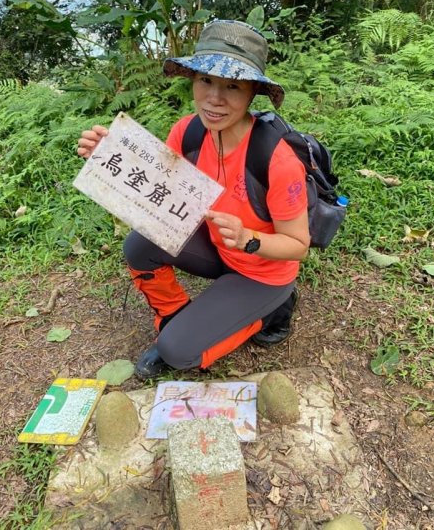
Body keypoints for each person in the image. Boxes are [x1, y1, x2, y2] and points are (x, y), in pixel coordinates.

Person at [77, 19, 310, 379]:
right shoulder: (188, 131)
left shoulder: (275, 159)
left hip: (262, 270)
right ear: (193, 81)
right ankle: (175, 316)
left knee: (178, 352)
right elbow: (160, 195)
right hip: (219, 249)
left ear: (252, 93)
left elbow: (298, 245)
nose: (214, 98)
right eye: (205, 81)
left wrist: (249, 238)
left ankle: (270, 310)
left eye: (232, 86)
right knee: (139, 246)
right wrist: (110, 157)